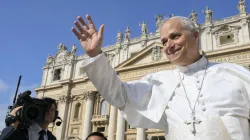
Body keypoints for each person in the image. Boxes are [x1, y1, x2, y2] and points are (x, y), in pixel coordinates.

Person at [71, 15, 250, 140]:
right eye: (164, 41)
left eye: (175, 36)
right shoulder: (158, 82)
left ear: (196, 36)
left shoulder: (235, 74)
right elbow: (119, 96)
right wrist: (95, 55)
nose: (168, 45)